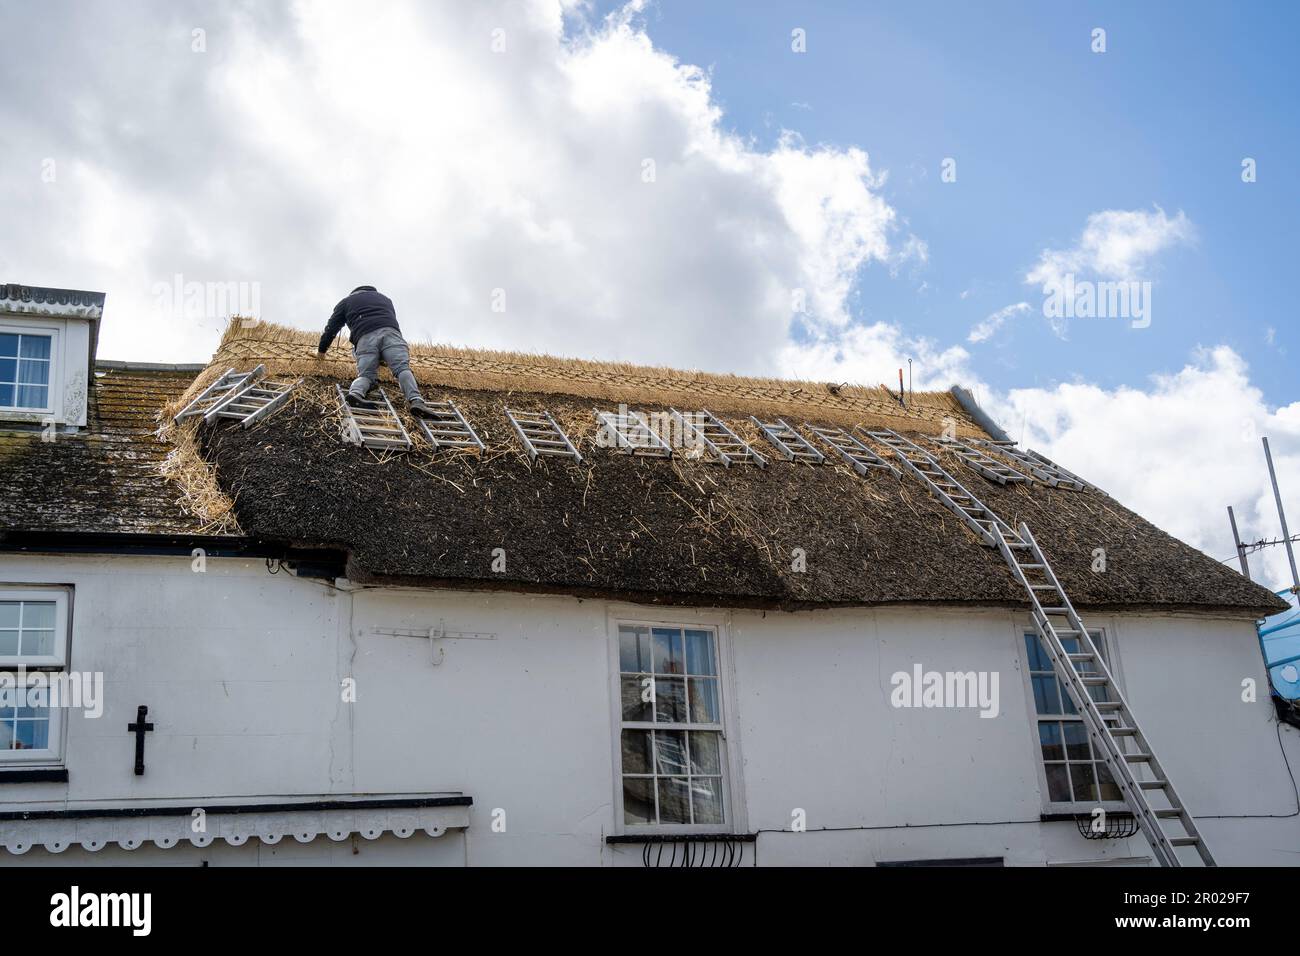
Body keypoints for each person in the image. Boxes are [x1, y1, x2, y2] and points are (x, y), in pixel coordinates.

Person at [316, 285, 435, 417]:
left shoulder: (346, 302)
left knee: (366, 375)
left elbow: (331, 328)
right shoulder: (385, 299)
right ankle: (416, 401)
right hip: (392, 335)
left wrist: (322, 351)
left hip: (365, 338)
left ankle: (355, 393)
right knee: (402, 369)